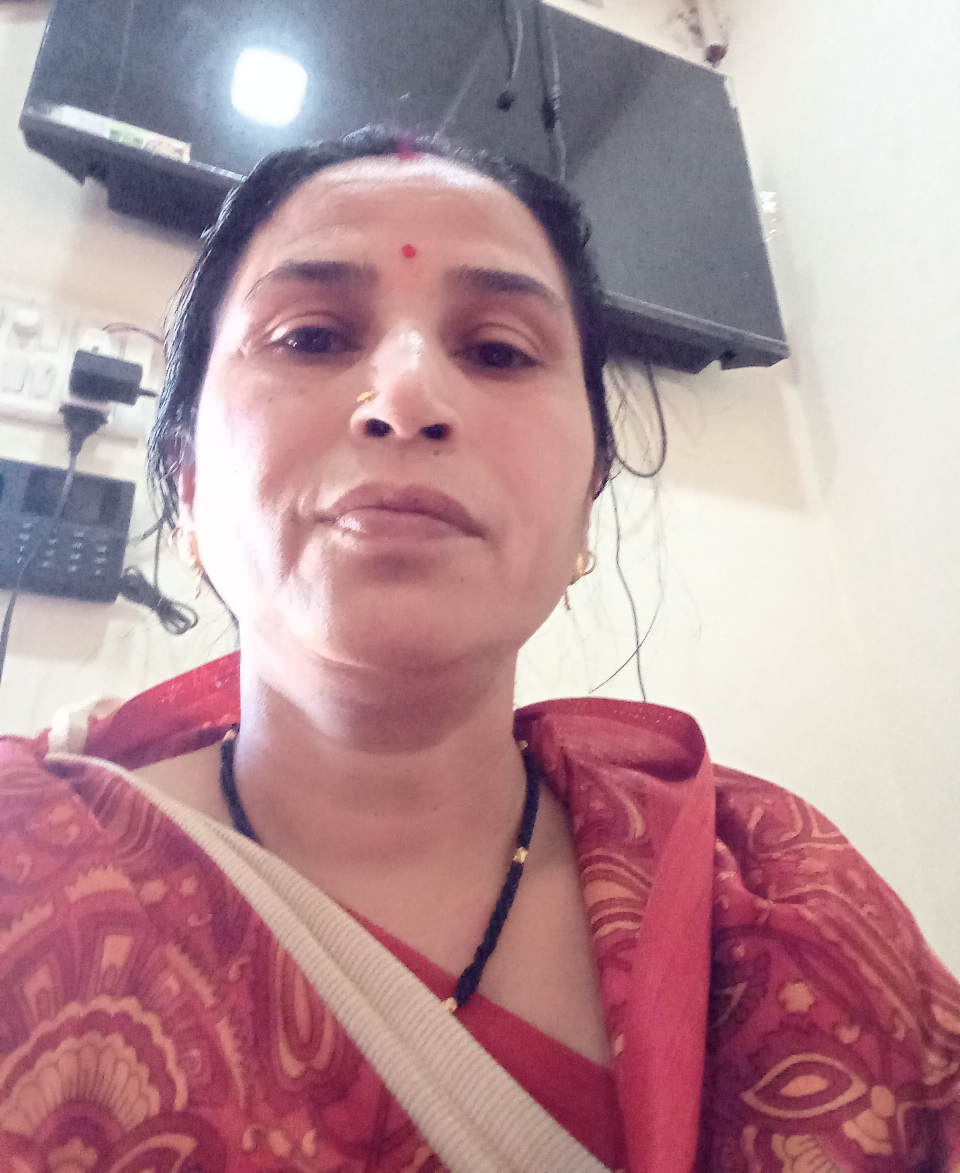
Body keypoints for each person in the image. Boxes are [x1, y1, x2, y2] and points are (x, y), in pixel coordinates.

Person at [0, 128, 957, 1173]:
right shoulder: (25, 858)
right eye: (312, 336)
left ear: (587, 499)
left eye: (499, 351)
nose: (406, 398)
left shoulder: (785, 897)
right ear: (187, 484)